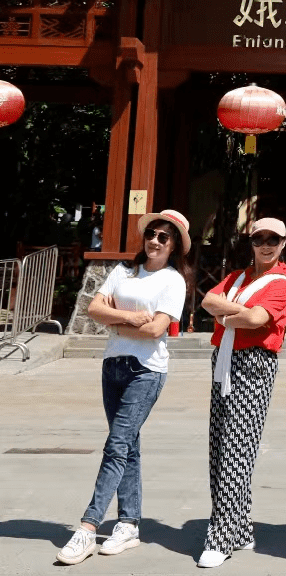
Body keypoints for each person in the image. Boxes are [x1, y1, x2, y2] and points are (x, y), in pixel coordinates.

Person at [55, 209, 190, 566]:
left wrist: (114, 322)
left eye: (164, 237)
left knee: (116, 445)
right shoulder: (123, 271)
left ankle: (87, 526)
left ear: (174, 245)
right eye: (152, 234)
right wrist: (128, 319)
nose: (155, 241)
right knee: (127, 445)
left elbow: (155, 331)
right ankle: (129, 523)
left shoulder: (173, 281)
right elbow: (95, 309)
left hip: (146, 370)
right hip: (113, 365)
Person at [197, 217, 286, 568]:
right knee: (221, 446)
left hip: (253, 364)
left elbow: (257, 321)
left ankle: (220, 536)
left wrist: (227, 316)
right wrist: (237, 314)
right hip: (224, 359)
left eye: (273, 239)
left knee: (237, 449)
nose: (266, 245)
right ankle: (240, 527)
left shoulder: (279, 283)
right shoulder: (237, 277)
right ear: (251, 242)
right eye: (259, 239)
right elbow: (208, 300)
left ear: (284, 243)